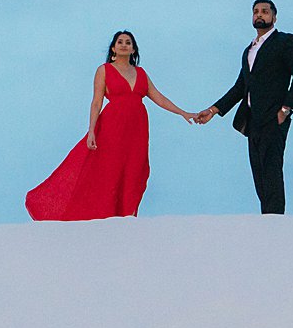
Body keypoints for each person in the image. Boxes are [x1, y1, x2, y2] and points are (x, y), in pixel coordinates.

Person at [25, 30, 199, 221]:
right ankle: (105, 215)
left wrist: (182, 112)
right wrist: (91, 131)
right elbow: (96, 102)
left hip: (137, 130)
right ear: (114, 48)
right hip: (111, 128)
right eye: (120, 42)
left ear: (133, 49)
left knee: (135, 169)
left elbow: (159, 97)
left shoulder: (141, 73)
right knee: (109, 169)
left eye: (128, 42)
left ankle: (128, 215)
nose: (124, 44)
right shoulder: (104, 70)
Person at [194, 0, 293, 214]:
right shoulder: (249, 50)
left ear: (274, 17)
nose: (260, 15)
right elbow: (240, 87)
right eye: (256, 11)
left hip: (274, 117)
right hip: (252, 119)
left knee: (271, 171)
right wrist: (213, 110)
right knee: (259, 174)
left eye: (265, 11)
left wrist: (286, 109)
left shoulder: (285, 41)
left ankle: (275, 224)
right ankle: (266, 221)